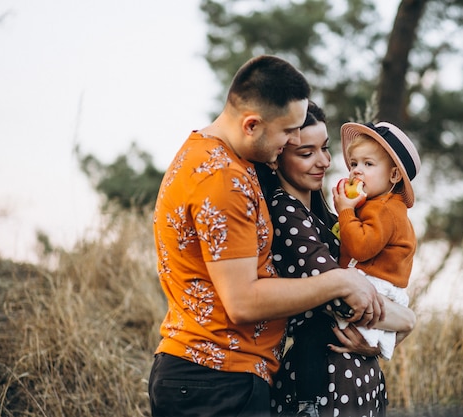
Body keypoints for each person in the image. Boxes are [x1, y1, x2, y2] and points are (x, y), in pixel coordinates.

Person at [147, 55, 386, 417]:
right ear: (252, 124)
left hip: (219, 376)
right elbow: (242, 301)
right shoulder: (222, 180)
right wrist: (339, 281)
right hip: (215, 380)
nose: (293, 138)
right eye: (288, 131)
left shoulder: (217, 159)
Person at [255, 103, 416, 417]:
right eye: (306, 153)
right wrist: (407, 321)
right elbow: (344, 299)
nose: (324, 162)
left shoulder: (325, 215)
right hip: (324, 381)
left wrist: (377, 341)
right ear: (277, 157)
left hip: (355, 378)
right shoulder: (285, 212)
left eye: (325, 149)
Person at [332, 121, 421, 360]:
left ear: (393, 175)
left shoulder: (384, 210)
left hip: (374, 285)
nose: (356, 171)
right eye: (354, 163)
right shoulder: (380, 206)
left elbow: (360, 248)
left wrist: (345, 212)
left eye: (368, 164)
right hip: (380, 288)